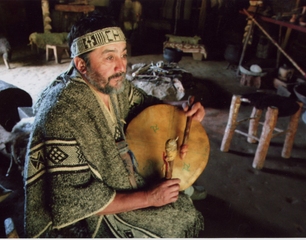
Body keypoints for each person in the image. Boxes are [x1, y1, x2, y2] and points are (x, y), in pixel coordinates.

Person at [24, 12, 206, 238]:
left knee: (182, 206)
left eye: (123, 54)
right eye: (109, 58)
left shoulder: (112, 84)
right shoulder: (61, 114)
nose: (121, 67)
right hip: (87, 213)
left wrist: (183, 110)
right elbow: (72, 200)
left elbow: (145, 104)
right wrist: (149, 197)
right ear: (81, 64)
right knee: (177, 221)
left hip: (119, 176)